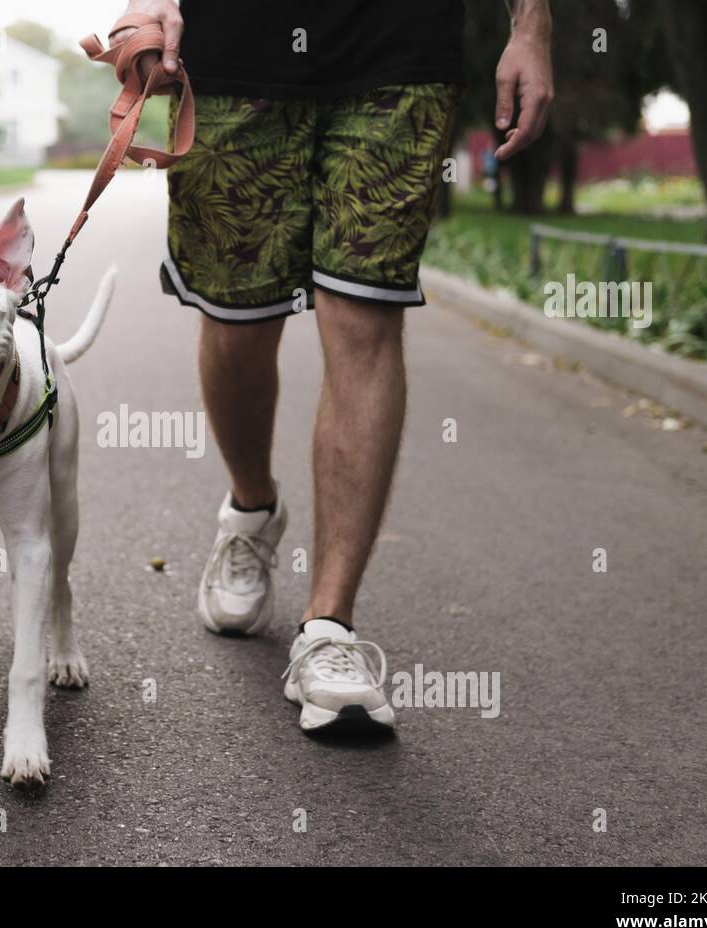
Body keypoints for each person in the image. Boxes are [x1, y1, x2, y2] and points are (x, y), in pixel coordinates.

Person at [112, 0, 553, 732]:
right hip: (233, 50)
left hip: (400, 54)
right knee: (237, 320)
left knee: (365, 315)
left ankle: (329, 629)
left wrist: (531, 26)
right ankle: (252, 511)